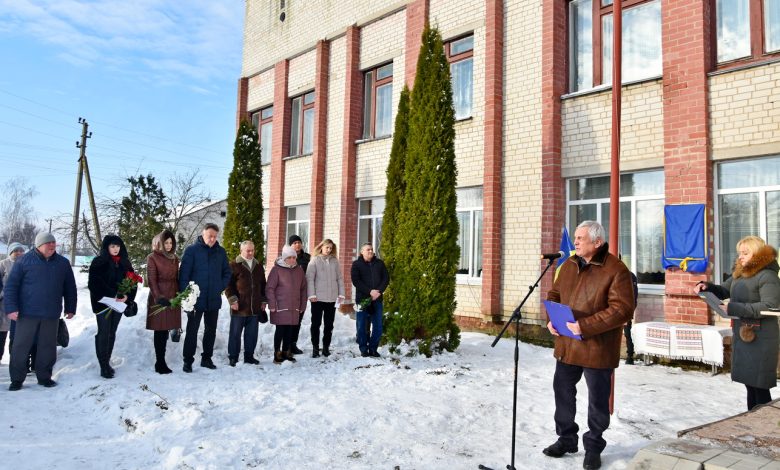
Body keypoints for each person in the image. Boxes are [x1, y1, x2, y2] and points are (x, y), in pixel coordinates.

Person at [543, 221, 635, 470]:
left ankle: (593, 446)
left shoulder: (616, 269)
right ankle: (566, 439)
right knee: (562, 393)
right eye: (575, 237)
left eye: (581, 238)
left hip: (597, 347)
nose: (576, 242)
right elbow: (554, 294)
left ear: (597, 242)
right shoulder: (570, 264)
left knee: (597, 401)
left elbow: (623, 309)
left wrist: (586, 326)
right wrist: (551, 319)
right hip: (567, 345)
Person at [694, 236, 780, 411]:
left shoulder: (768, 275)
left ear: (757, 254)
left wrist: (734, 308)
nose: (740, 257)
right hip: (743, 334)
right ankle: (753, 420)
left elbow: (771, 306)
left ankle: (763, 426)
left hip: (762, 337)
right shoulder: (739, 273)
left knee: (760, 385)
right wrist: (707, 287)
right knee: (750, 383)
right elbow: (724, 290)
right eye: (740, 253)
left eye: (745, 253)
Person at [5, 233, 76, 391]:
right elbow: (11, 286)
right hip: (26, 313)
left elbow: (70, 287)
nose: (52, 245)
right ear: (39, 245)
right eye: (48, 243)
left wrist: (71, 307)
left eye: (54, 243)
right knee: (20, 346)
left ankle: (44, 377)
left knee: (48, 347)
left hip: (51, 314)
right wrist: (11, 308)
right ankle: (17, 379)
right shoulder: (24, 261)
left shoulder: (63, 263)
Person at [179, 222, 232, 372]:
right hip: (195, 299)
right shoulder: (191, 251)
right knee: (192, 330)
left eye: (215, 237)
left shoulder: (220, 252)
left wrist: (219, 287)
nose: (213, 239)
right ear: (203, 234)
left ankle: (206, 358)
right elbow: (183, 275)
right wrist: (187, 296)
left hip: (213, 298)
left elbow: (227, 272)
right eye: (210, 236)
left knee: (211, 330)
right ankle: (187, 361)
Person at [88, 234, 138, 379]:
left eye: (118, 246)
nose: (116, 249)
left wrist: (128, 296)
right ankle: (103, 365)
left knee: (112, 332)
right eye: (112, 246)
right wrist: (112, 294)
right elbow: (94, 284)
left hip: (119, 304)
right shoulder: (99, 262)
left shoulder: (125, 263)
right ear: (107, 248)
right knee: (103, 332)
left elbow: (132, 282)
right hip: (103, 304)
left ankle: (107, 361)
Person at [225, 240, 267, 366]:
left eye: (252, 250)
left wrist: (263, 301)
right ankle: (233, 357)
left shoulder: (258, 266)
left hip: (254, 307)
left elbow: (263, 285)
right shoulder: (233, 265)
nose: (250, 253)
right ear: (241, 251)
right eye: (247, 250)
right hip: (239, 306)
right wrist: (232, 300)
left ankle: (249, 356)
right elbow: (228, 285)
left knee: (252, 334)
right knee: (235, 334)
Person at [146, 230, 181, 374]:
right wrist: (158, 297)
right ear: (159, 243)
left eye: (170, 243)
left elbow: (177, 277)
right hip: (159, 297)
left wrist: (181, 294)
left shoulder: (175, 258)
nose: (168, 245)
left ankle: (162, 360)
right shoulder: (152, 257)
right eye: (166, 242)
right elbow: (151, 279)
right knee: (160, 330)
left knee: (167, 328)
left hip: (173, 295)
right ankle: (160, 362)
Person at [266, 245, 307, 364]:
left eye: (294, 257)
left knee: (290, 330)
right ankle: (277, 353)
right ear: (284, 258)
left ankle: (286, 351)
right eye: (290, 257)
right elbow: (270, 288)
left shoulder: (299, 270)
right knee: (280, 330)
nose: (293, 260)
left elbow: (303, 289)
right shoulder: (276, 270)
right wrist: (272, 304)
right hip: (280, 306)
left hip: (294, 306)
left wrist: (302, 305)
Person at [306, 239, 345, 358]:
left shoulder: (335, 261)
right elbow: (309, 278)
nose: (329, 250)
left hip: (332, 299)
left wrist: (341, 294)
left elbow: (339, 279)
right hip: (317, 299)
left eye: (331, 248)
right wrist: (312, 295)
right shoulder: (315, 260)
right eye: (327, 247)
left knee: (329, 325)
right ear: (321, 247)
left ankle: (326, 347)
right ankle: (315, 348)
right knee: (316, 324)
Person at [351, 242, 389, 358]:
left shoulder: (380, 263)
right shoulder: (357, 264)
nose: (371, 251)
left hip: (377, 299)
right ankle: (363, 349)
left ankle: (373, 348)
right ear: (362, 252)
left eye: (372, 249)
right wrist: (370, 292)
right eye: (368, 249)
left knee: (378, 326)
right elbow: (356, 281)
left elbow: (386, 278)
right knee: (361, 325)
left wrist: (378, 291)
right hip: (363, 300)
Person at [0, 242, 26, 364]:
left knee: (17, 335)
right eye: (16, 251)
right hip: (4, 304)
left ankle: (15, 360)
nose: (19, 253)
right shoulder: (3, 264)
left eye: (21, 251)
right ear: (11, 252)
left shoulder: (27, 264)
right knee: (1, 333)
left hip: (21, 304)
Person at [288, 234, 310, 355]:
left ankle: (293, 344)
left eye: (299, 242)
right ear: (290, 245)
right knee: (289, 319)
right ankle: (286, 344)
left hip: (302, 293)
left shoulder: (307, 258)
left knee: (298, 319)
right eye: (294, 243)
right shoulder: (285, 257)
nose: (297, 244)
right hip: (289, 294)